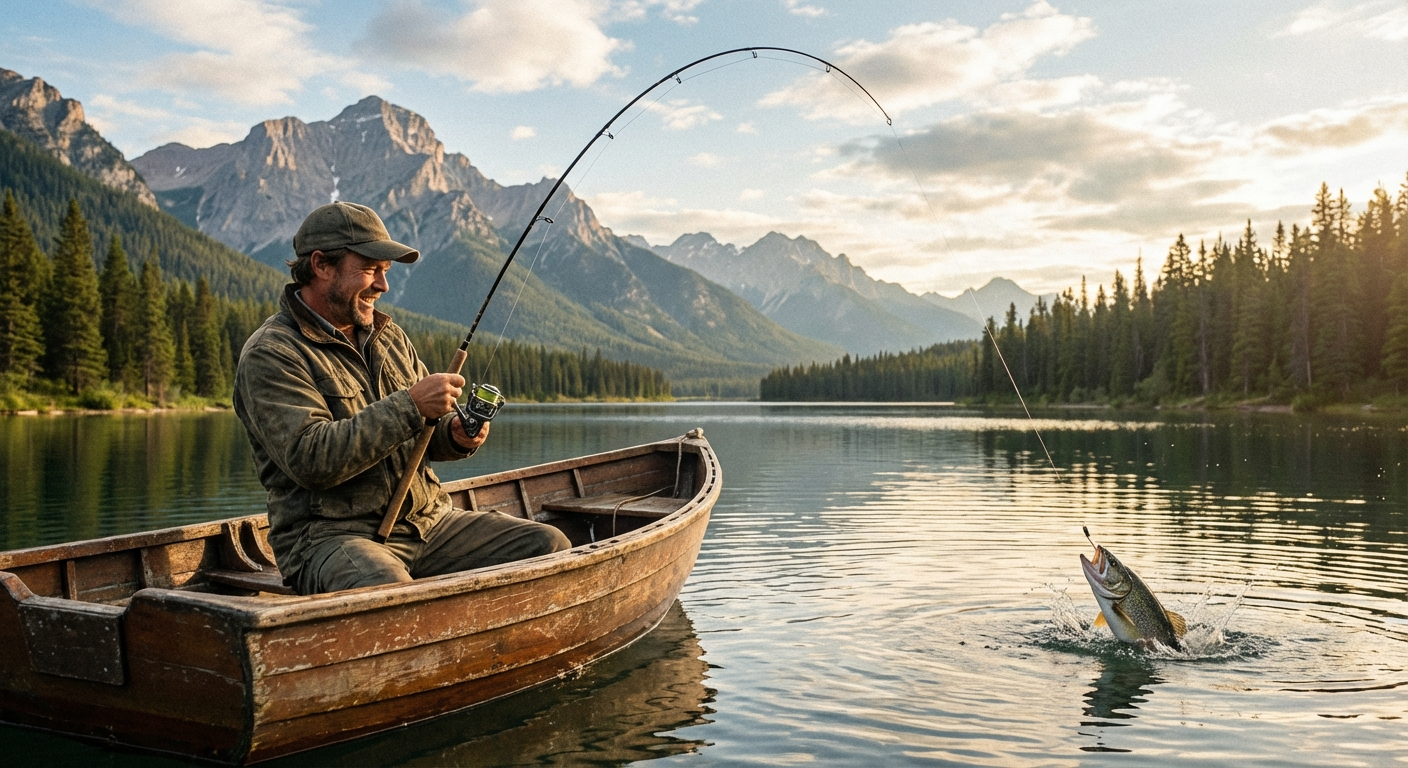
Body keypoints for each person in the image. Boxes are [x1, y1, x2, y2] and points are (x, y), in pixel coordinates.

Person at [233, 201, 570, 595]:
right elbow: (311, 459)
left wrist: (455, 436)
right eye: (370, 270)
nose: (383, 285)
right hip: (330, 539)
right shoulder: (272, 353)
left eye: (386, 272)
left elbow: (425, 433)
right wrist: (410, 405)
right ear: (322, 265)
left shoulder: (388, 336)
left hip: (428, 523)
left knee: (549, 546)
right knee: (389, 591)